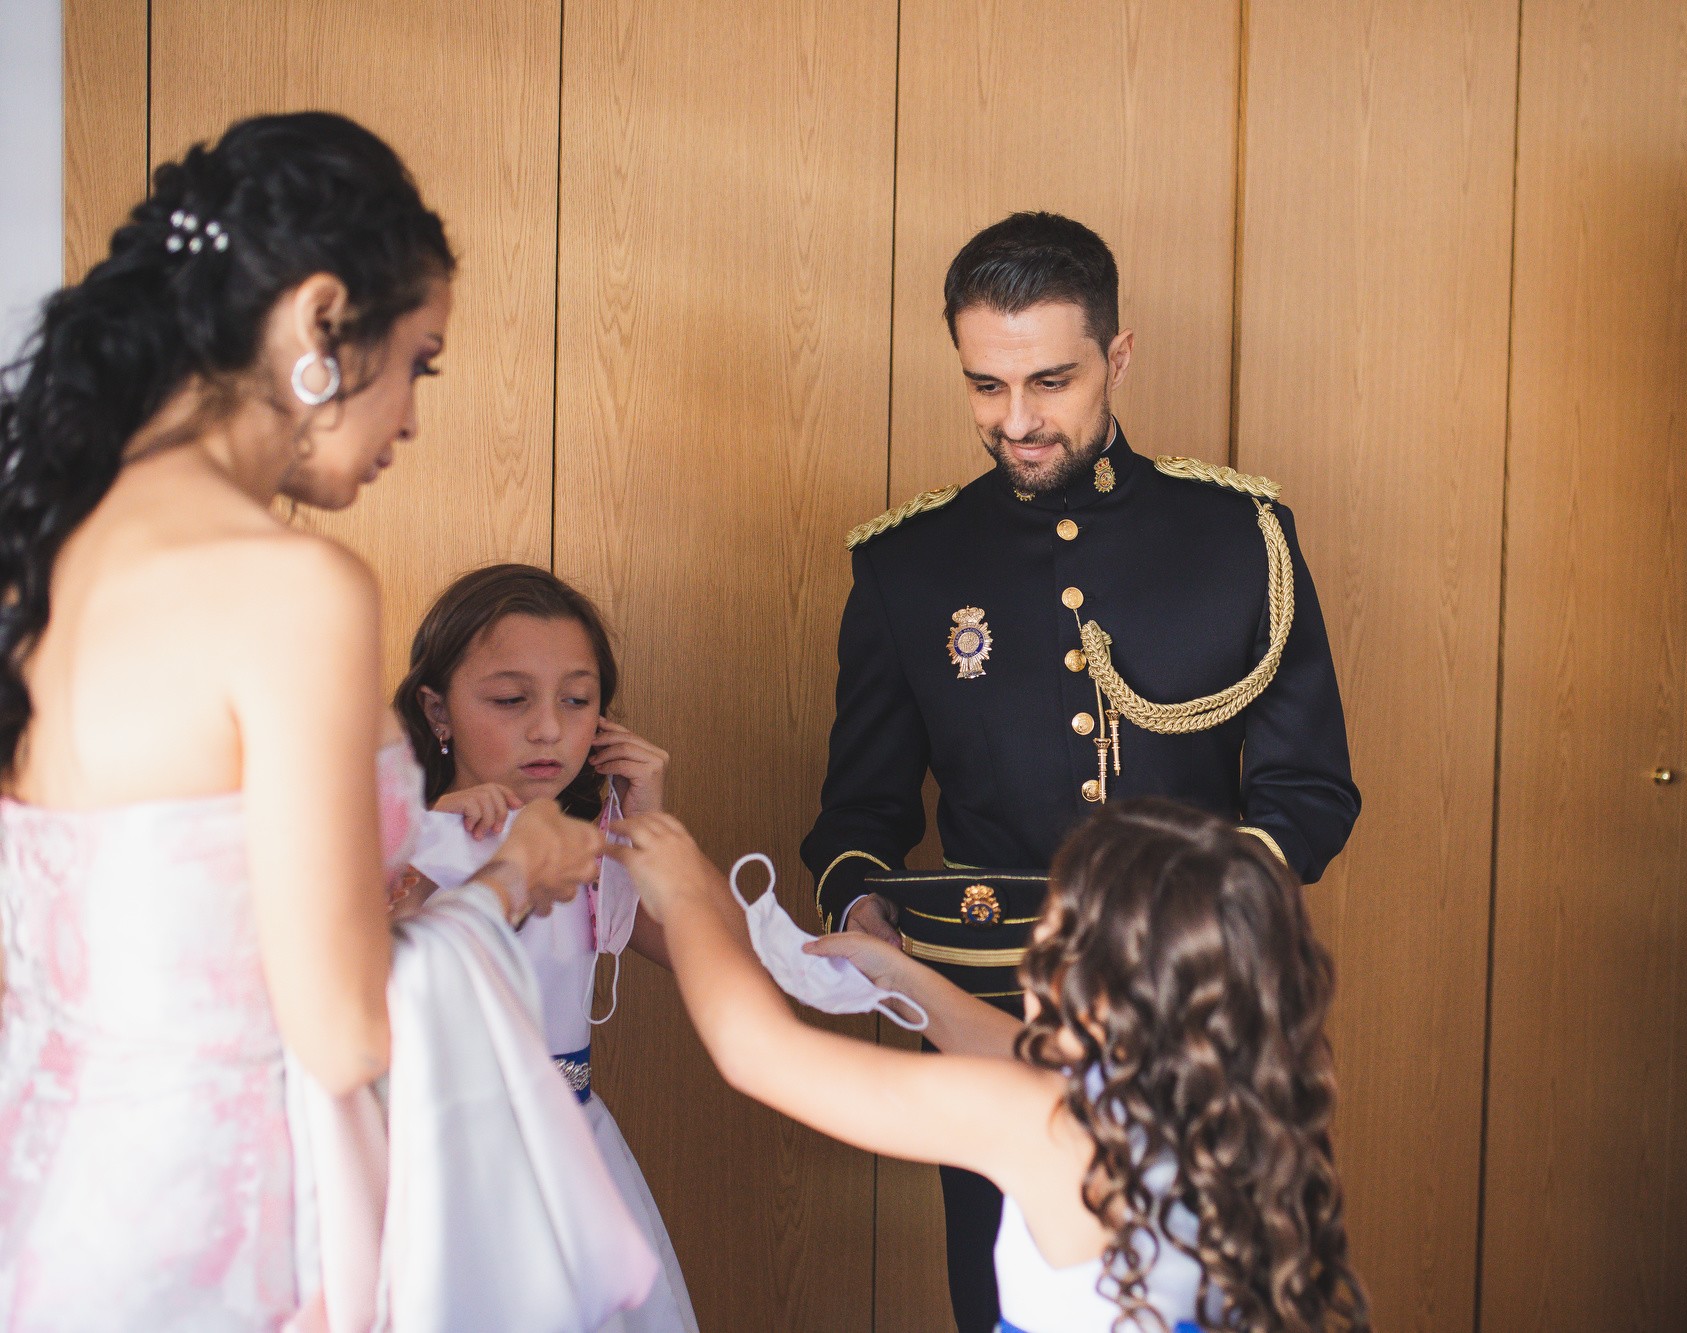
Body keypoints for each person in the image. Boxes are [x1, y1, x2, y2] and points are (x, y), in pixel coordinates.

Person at [0, 113, 603, 1328]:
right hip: (226, 1218)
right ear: (322, 321)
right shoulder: (291, 585)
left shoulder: (51, 543)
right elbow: (345, 1034)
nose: (414, 421)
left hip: (56, 1188)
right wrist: (510, 878)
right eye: (419, 363)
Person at [802, 210, 1362, 1329]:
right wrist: (863, 910)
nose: (1016, 422)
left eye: (1049, 382)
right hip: (987, 1002)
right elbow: (856, 816)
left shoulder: (1239, 536)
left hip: (1197, 1006)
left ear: (1116, 357)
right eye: (984, 387)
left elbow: (1309, 792)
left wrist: (1184, 921)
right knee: (1007, 1297)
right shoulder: (906, 566)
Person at [618, 797, 1369, 1333]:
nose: (1030, 965)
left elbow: (759, 1055)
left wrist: (685, 890)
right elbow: (1012, 1047)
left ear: (1096, 987)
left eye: (1046, 943)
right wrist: (901, 976)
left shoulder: (1041, 1121)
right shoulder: (1223, 1098)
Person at [394, 562, 701, 1333]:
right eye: (510, 699)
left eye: (576, 699)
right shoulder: (408, 843)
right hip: (442, 1167)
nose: (547, 728)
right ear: (438, 708)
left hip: (574, 1155)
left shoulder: (591, 850)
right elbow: (369, 973)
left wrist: (648, 825)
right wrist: (430, 850)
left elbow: (708, 955)